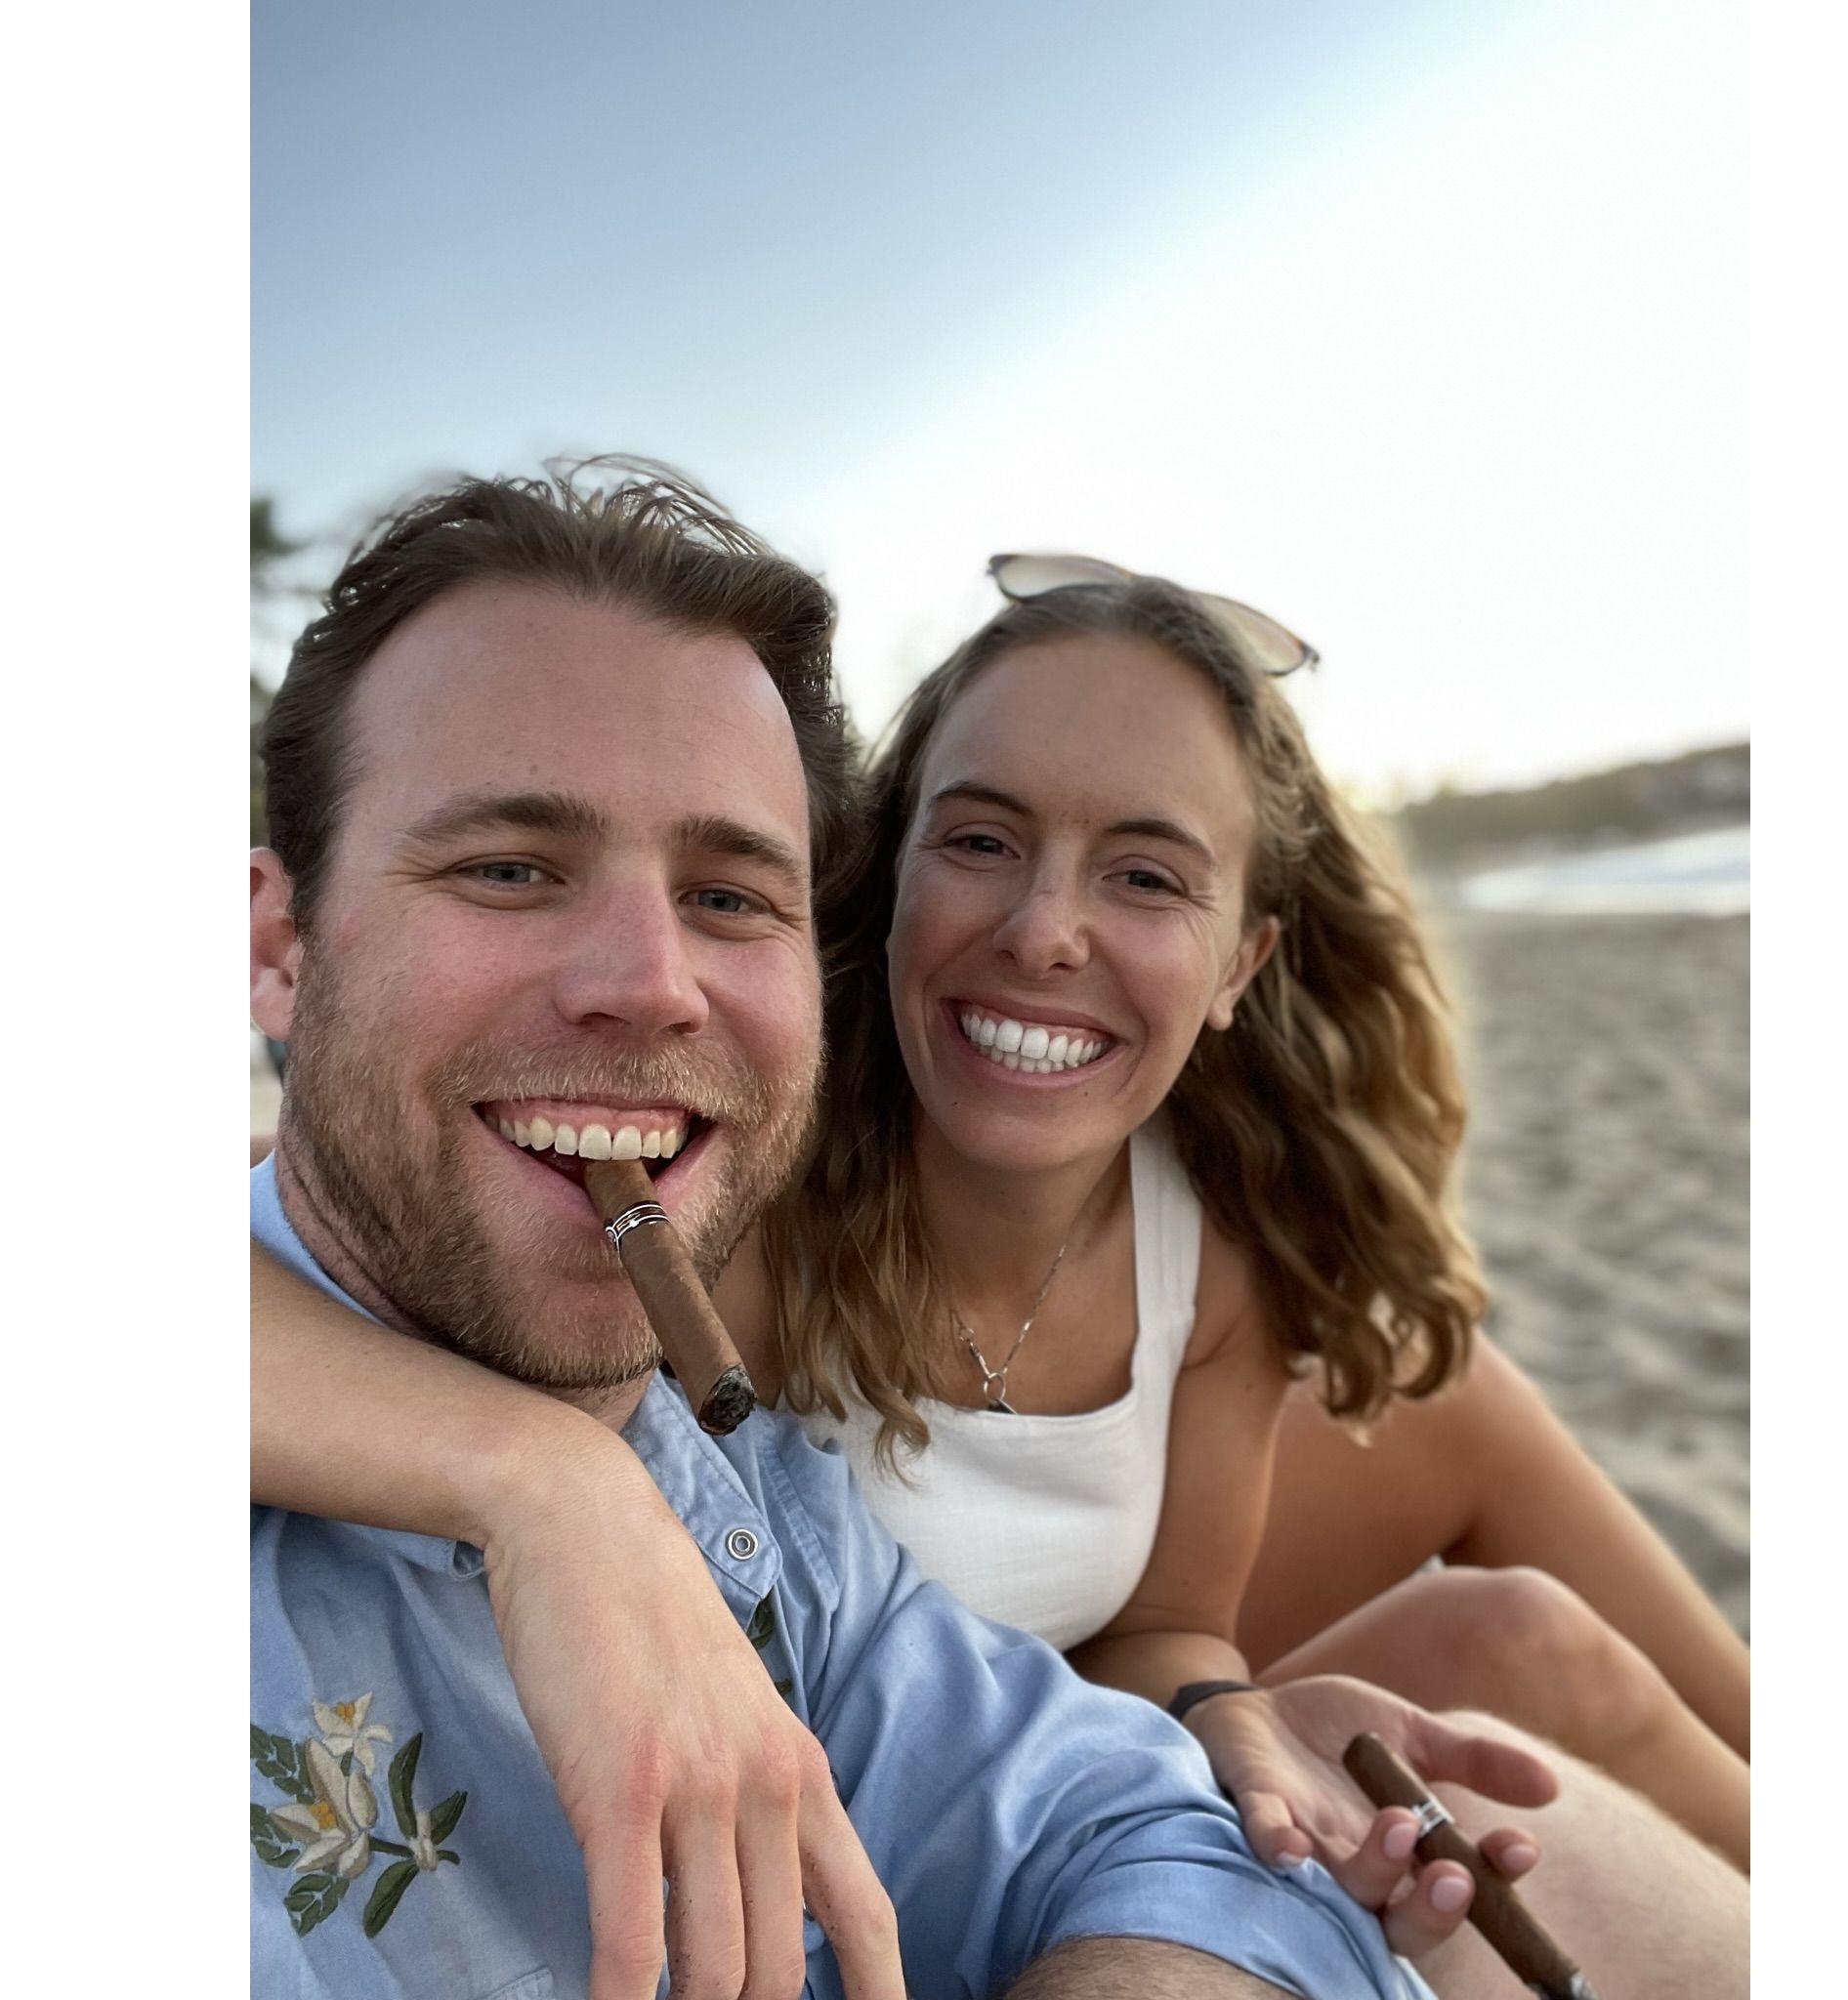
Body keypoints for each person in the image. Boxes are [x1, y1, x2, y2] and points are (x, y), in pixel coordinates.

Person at [250, 459, 1748, 1998]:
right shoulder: (698, 1211)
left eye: (1146, 875)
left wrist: (1219, 1720)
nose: (1045, 932)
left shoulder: (1104, 1276)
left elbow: (1158, 1665)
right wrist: (544, 1483)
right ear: (887, 880)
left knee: (1517, 1632)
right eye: (509, 869)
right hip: (949, 1793)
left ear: (1241, 964)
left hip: (1002, 1793)